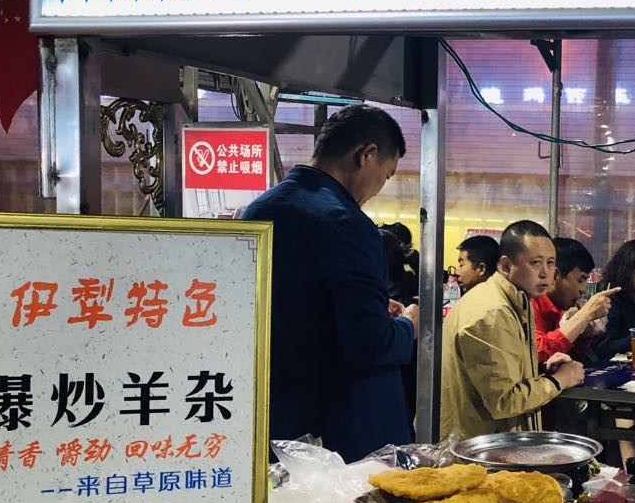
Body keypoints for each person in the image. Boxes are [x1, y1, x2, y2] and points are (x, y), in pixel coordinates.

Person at [241, 104, 418, 462]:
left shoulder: (260, 209)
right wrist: (406, 325)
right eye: (386, 175)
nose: (378, 189)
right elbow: (370, 345)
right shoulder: (347, 223)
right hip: (344, 433)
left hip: (277, 422)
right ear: (366, 155)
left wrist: (370, 309)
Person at [440, 220, 586, 440]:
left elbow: (503, 375)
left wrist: (542, 371)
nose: (546, 273)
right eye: (536, 263)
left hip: (490, 443)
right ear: (507, 265)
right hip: (477, 452)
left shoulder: (513, 300)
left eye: (550, 263)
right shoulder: (492, 312)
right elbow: (504, 401)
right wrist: (559, 380)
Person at [533, 237, 619, 364]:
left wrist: (585, 333)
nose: (584, 290)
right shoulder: (531, 303)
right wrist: (584, 316)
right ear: (555, 275)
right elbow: (537, 355)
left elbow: (570, 359)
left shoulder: (559, 310)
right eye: (580, 280)